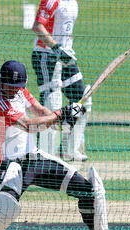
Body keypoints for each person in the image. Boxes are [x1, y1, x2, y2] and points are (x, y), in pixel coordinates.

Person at [0, 60, 123, 230]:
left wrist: (64, 118)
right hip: (9, 163)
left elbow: (41, 112)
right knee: (6, 204)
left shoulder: (21, 91)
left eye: (15, 87)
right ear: (0, 82)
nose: (11, 90)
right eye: (8, 86)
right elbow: (28, 125)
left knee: (88, 190)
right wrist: (61, 114)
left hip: (34, 158)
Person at [31, 0, 91, 161]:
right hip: (46, 55)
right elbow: (37, 26)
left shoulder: (73, 2)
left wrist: (67, 50)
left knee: (82, 99)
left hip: (66, 56)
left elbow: (67, 31)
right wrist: (56, 47)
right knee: (51, 102)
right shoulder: (51, 1)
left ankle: (68, 149)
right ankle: (44, 153)